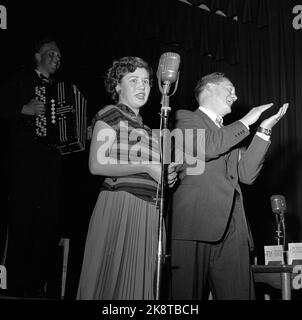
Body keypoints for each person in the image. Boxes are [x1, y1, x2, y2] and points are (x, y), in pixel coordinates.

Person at [170, 72, 288, 300]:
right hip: (193, 226)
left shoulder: (228, 133)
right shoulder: (184, 118)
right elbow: (209, 147)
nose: (235, 96)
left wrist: (263, 130)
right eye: (230, 90)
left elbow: (246, 176)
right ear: (209, 88)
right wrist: (246, 121)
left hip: (233, 229)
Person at [77, 56, 177, 300]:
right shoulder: (110, 114)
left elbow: (154, 171)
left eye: (145, 81)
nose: (142, 86)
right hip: (121, 205)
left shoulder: (148, 130)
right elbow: (97, 164)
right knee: (110, 286)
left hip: (150, 210)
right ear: (117, 86)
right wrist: (146, 166)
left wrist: (167, 174)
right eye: (133, 80)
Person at [0, 37, 62, 297]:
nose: (56, 59)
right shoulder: (20, 80)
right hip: (24, 163)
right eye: (52, 54)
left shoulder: (61, 90)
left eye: (59, 57)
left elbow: (64, 127)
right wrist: (22, 109)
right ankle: (13, 283)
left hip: (50, 165)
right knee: (21, 221)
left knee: (46, 223)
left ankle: (35, 283)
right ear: (37, 56)